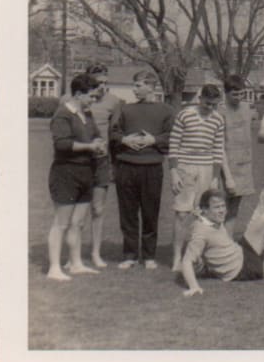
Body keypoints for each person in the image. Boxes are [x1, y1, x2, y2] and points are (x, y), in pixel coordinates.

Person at [109, 71, 174, 270]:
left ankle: (148, 256)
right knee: (127, 213)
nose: (134, 89)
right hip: (126, 166)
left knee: (150, 212)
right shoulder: (125, 109)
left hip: (152, 168)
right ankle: (129, 254)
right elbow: (113, 132)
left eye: (138, 85)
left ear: (151, 87)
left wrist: (153, 140)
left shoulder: (165, 110)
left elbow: (173, 136)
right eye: (134, 85)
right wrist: (124, 139)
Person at [45, 73, 106, 281]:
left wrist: (99, 142)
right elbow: (62, 144)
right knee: (61, 223)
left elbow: (96, 133)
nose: (94, 100)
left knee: (78, 223)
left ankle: (76, 263)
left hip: (86, 172)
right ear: (79, 94)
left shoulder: (86, 113)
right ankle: (54, 268)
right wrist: (90, 146)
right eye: (91, 96)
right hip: (66, 173)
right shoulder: (62, 115)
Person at [166, 84, 225, 271]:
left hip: (207, 167)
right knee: (182, 213)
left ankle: (199, 256)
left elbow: (218, 149)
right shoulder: (185, 115)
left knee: (204, 214)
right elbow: (173, 145)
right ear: (200, 98)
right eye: (207, 104)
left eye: (214, 105)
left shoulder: (218, 119)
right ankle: (177, 258)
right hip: (185, 166)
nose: (210, 108)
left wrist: (215, 177)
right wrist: (174, 172)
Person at [81, 63, 123, 268]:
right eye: (99, 83)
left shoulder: (114, 102)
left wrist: (113, 164)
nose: (104, 87)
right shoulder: (74, 100)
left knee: (97, 209)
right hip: (79, 160)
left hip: (101, 161)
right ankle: (75, 254)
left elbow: (115, 134)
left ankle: (96, 252)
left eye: (107, 82)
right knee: (77, 210)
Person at [220, 75, 257, 237]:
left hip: (243, 165)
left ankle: (227, 243)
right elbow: (218, 146)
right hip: (225, 166)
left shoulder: (246, 108)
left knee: (234, 209)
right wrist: (227, 176)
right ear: (226, 93)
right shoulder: (220, 111)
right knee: (219, 209)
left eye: (241, 94)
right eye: (235, 94)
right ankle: (214, 245)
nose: (239, 98)